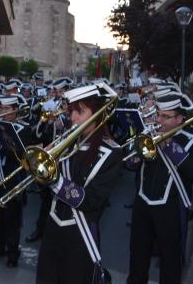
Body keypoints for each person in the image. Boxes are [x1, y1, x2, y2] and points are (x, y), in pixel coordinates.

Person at [35, 83, 121, 284]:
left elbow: (92, 201)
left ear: (98, 113)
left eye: (80, 112)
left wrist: (55, 179)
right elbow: (45, 188)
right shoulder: (66, 143)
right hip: (53, 229)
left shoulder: (112, 153)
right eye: (72, 111)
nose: (72, 118)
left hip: (80, 236)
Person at [126, 91, 193, 284]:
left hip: (171, 207)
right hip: (143, 203)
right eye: (158, 114)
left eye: (165, 116)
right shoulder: (148, 131)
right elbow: (130, 165)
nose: (159, 120)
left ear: (180, 118)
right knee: (137, 256)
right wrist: (135, 158)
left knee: (170, 261)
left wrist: (169, 143)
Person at [0, 93, 36, 267]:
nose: (0, 111)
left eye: (5, 109)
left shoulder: (23, 129)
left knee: (12, 217)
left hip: (13, 178)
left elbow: (20, 156)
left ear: (14, 110)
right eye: (0, 108)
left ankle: (12, 253)